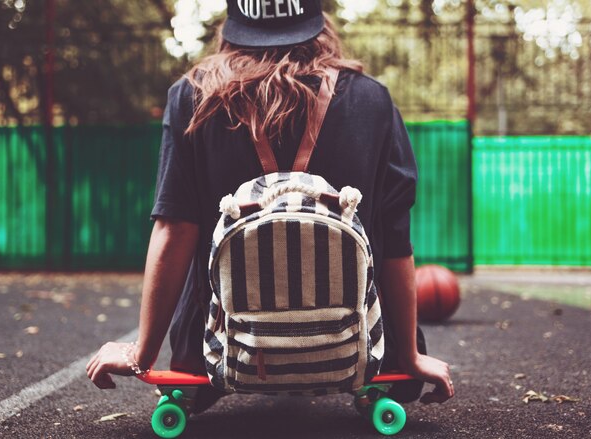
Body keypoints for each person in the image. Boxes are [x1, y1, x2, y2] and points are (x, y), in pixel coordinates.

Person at [87, 0, 454, 408]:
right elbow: (395, 241)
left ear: (235, 24)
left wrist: (143, 354)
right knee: (376, 241)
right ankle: (374, 375)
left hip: (216, 349)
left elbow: (176, 230)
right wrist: (410, 356)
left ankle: (200, 373)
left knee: (201, 252)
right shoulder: (373, 100)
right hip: (361, 349)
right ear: (318, 22)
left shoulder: (192, 96)